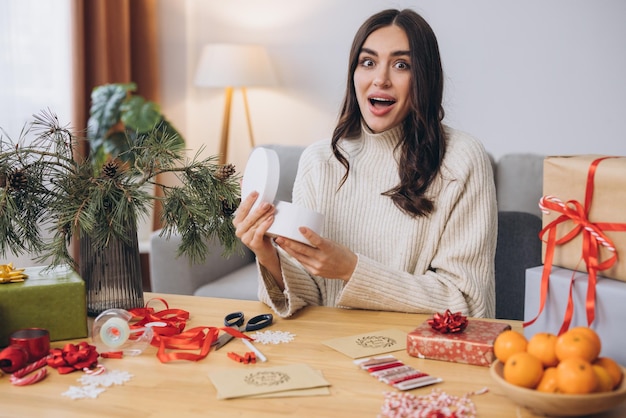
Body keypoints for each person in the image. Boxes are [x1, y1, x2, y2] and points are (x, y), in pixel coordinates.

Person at [233, 8, 497, 319]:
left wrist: (352, 269)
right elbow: (310, 296)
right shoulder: (320, 161)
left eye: (401, 65)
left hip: (414, 351)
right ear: (353, 73)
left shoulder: (462, 159)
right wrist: (267, 255)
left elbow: (469, 303)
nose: (380, 79)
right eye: (368, 62)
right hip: (329, 349)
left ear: (424, 77)